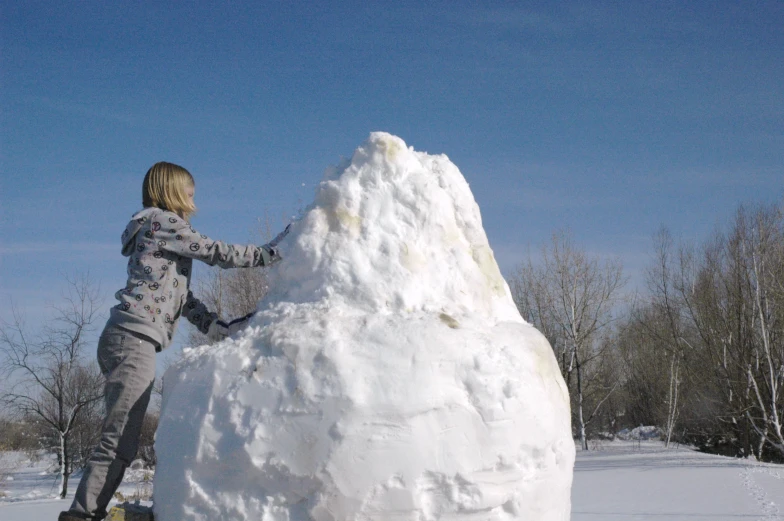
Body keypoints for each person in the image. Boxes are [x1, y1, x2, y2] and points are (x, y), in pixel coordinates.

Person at [59, 162, 290, 521]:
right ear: (171, 191)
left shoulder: (159, 233)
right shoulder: (162, 222)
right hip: (133, 340)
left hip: (126, 338)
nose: (193, 201)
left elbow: (179, 297)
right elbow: (215, 252)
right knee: (119, 439)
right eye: (190, 193)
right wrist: (268, 254)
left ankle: (88, 511)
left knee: (121, 437)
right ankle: (81, 515)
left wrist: (212, 325)